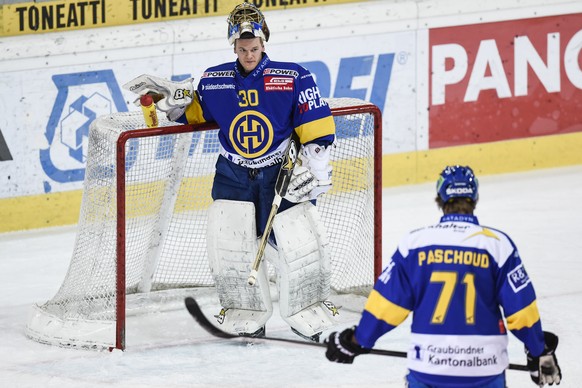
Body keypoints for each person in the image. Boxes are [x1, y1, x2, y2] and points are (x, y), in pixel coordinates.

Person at [124, 2, 337, 341]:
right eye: (242, 49)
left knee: (298, 243)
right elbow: (195, 113)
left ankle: (308, 311)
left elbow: (314, 121)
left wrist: (317, 167)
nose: (249, 54)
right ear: (233, 47)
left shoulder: (293, 76)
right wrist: (174, 105)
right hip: (233, 172)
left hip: (279, 170)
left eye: (254, 48)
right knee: (232, 244)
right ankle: (245, 313)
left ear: (264, 43)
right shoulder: (214, 80)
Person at [325, 165, 562, 387]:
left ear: (440, 200)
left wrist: (356, 341)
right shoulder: (498, 245)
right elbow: (522, 313)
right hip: (484, 369)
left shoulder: (415, 244)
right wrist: (538, 349)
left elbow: (386, 306)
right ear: (475, 200)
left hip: (430, 367)